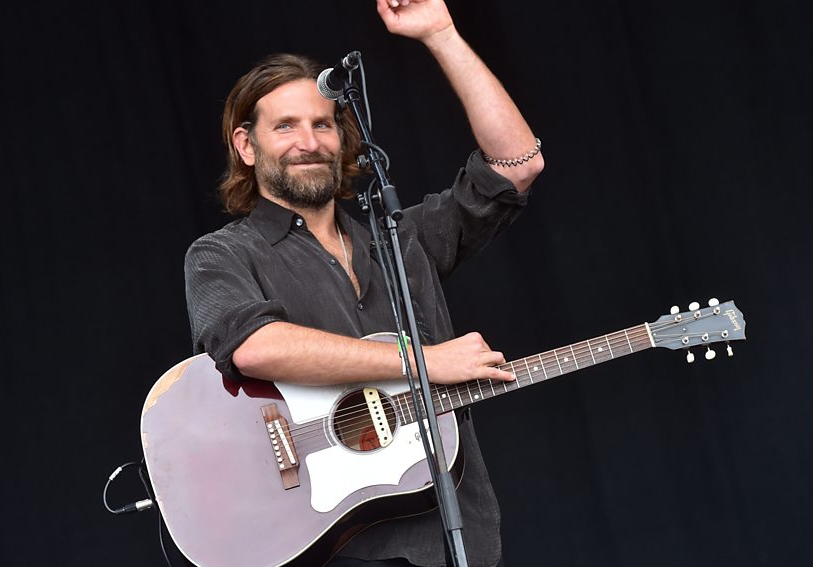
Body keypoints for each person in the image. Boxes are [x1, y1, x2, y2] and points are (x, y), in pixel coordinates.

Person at [184, 0, 543, 565]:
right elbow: (254, 346)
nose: (310, 141)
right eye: (286, 126)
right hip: (336, 549)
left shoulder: (401, 239)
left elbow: (516, 165)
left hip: (453, 539)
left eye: (323, 124)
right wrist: (421, 362)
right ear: (246, 147)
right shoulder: (223, 253)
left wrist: (441, 32)